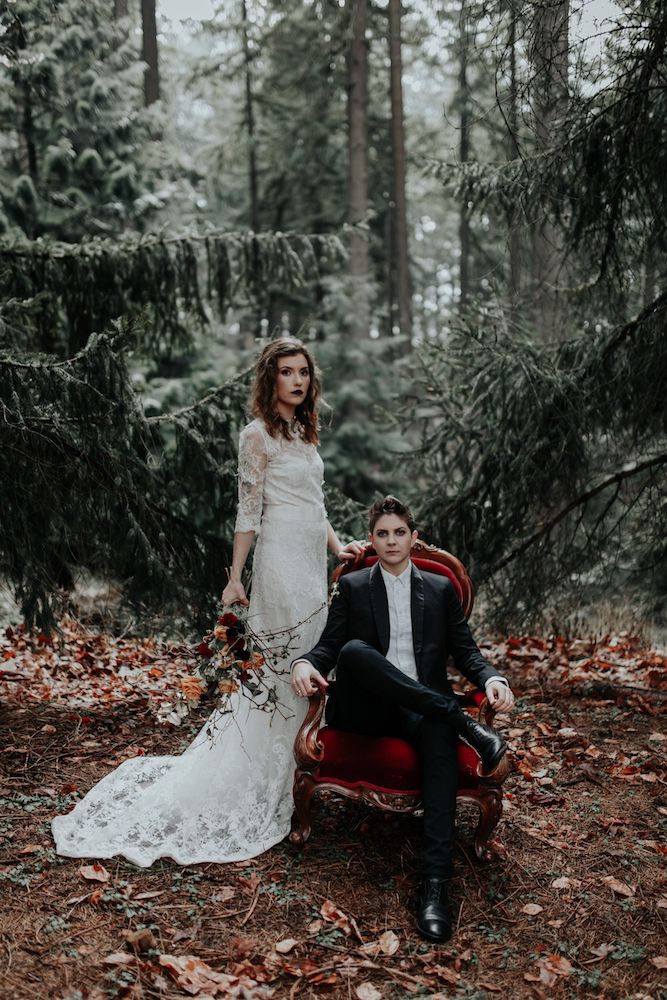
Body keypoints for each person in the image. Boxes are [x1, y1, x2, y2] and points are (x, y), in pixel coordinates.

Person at [52, 337, 362, 866]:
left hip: (312, 562)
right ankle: (267, 775)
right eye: (286, 372)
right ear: (270, 379)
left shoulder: (304, 434)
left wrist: (340, 545)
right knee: (281, 665)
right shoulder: (256, 435)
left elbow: (316, 503)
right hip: (280, 561)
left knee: (311, 655)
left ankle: (301, 767)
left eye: (304, 372)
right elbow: (248, 512)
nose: (297, 381)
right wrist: (236, 578)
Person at [291, 495, 515, 943]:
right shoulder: (354, 588)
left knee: (435, 728)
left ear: (413, 537)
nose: (391, 541)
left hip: (422, 709)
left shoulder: (439, 589)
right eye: (381, 534)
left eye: (399, 533)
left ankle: (435, 887)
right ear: (371, 542)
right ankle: (461, 721)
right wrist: (303, 662)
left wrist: (494, 679)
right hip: (366, 711)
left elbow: (467, 652)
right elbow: (330, 648)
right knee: (356, 651)